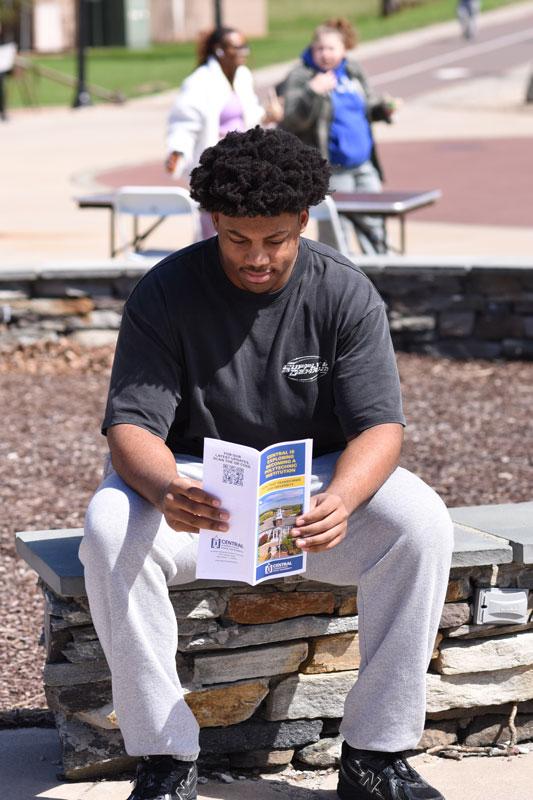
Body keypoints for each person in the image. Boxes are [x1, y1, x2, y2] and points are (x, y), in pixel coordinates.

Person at [80, 126, 453, 800]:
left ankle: (374, 756)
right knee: (108, 524)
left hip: (312, 493)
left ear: (303, 221)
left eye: (275, 241)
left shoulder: (343, 291)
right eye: (237, 240)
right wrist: (167, 488)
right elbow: (132, 425)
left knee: (420, 521)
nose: (256, 258)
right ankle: (166, 761)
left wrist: (341, 497)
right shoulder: (163, 293)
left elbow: (379, 427)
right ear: (212, 220)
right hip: (193, 491)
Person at [280, 18, 396, 255]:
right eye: (319, 48)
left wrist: (383, 109)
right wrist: (313, 92)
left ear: (344, 50)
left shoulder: (352, 72)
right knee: (336, 230)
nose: (325, 54)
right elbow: (291, 120)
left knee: (374, 224)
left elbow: (367, 107)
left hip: (363, 165)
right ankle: (335, 282)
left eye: (331, 48)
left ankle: (381, 276)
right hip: (332, 168)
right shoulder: (302, 76)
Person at [165, 26, 281, 237]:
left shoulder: (243, 77)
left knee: (243, 228)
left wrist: (267, 115)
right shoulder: (199, 82)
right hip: (215, 167)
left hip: (245, 166)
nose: (244, 52)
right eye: (237, 47)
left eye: (245, 47)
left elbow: (249, 116)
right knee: (216, 229)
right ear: (219, 50)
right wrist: (177, 151)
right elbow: (184, 122)